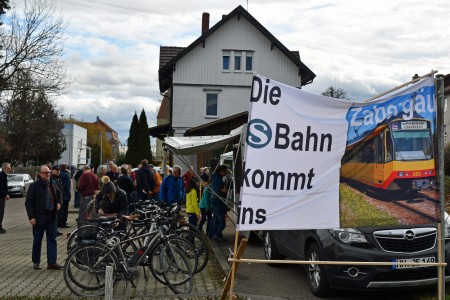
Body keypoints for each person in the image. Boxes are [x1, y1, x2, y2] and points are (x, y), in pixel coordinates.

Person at [25, 165, 63, 270]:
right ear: (40, 174)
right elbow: (28, 203)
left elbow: (59, 195)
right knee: (37, 240)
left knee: (52, 239)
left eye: (49, 172)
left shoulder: (53, 183)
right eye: (46, 172)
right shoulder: (34, 186)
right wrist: (31, 217)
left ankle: (52, 262)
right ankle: (36, 262)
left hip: (52, 217)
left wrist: (59, 203)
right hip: (39, 218)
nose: (48, 174)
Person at [58, 164, 72, 228]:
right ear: (66, 168)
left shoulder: (59, 174)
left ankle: (58, 222)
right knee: (65, 209)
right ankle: (63, 223)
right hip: (65, 195)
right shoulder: (66, 175)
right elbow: (67, 186)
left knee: (60, 209)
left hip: (59, 195)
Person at [0, 162, 11, 234]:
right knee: (0, 212)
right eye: (9, 168)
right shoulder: (1, 175)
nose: (10, 169)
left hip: (1, 196)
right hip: (0, 197)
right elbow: (0, 187)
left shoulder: (4, 175)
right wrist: (5, 195)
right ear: (4, 168)